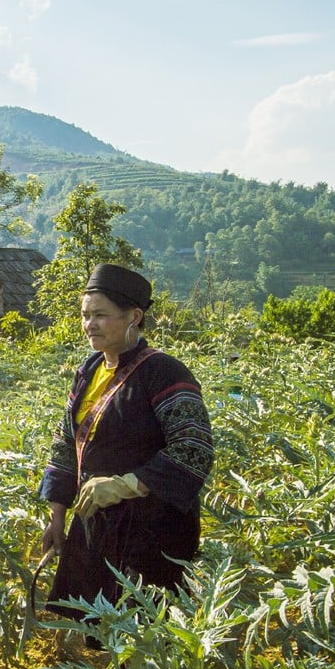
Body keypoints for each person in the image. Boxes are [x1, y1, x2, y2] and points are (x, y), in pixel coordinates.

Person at [38, 264, 214, 623]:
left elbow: (193, 448)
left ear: (134, 316)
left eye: (100, 315)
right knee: (103, 631)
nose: (90, 324)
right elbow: (66, 443)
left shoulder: (163, 372)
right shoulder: (89, 370)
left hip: (152, 532)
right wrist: (57, 515)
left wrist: (123, 485)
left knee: (145, 633)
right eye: (85, 315)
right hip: (97, 525)